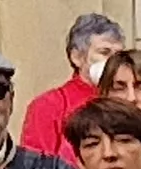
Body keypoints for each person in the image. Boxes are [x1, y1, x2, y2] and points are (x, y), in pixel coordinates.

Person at [17, 13, 118, 160]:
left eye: (119, 55)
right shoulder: (49, 105)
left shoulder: (128, 99)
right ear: (77, 57)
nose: (113, 62)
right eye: (104, 52)